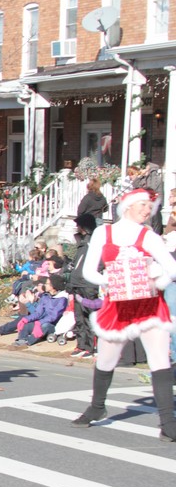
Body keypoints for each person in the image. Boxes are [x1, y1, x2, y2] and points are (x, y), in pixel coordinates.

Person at [71, 188, 176, 441]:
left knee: (159, 359)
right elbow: (89, 271)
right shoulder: (103, 233)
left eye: (150, 207)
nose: (147, 211)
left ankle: (168, 422)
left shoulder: (148, 235)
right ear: (127, 205)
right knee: (107, 359)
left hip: (149, 304)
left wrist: (155, 280)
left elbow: (171, 268)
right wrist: (110, 279)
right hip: (117, 304)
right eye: (142, 205)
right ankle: (97, 406)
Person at [0, 275, 69, 346]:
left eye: (47, 284)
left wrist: (39, 323)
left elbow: (53, 317)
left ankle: (28, 342)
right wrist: (26, 319)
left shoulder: (62, 299)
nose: (45, 285)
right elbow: (38, 312)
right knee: (26, 325)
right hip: (40, 323)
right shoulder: (45, 296)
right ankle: (21, 340)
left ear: (53, 286)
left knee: (45, 326)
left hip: (53, 326)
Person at [67, 214, 99, 358]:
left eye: (79, 225)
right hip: (77, 284)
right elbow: (76, 264)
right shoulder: (82, 242)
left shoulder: (94, 242)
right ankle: (81, 345)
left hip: (88, 284)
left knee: (89, 316)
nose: (77, 228)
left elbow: (99, 261)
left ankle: (92, 347)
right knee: (79, 317)